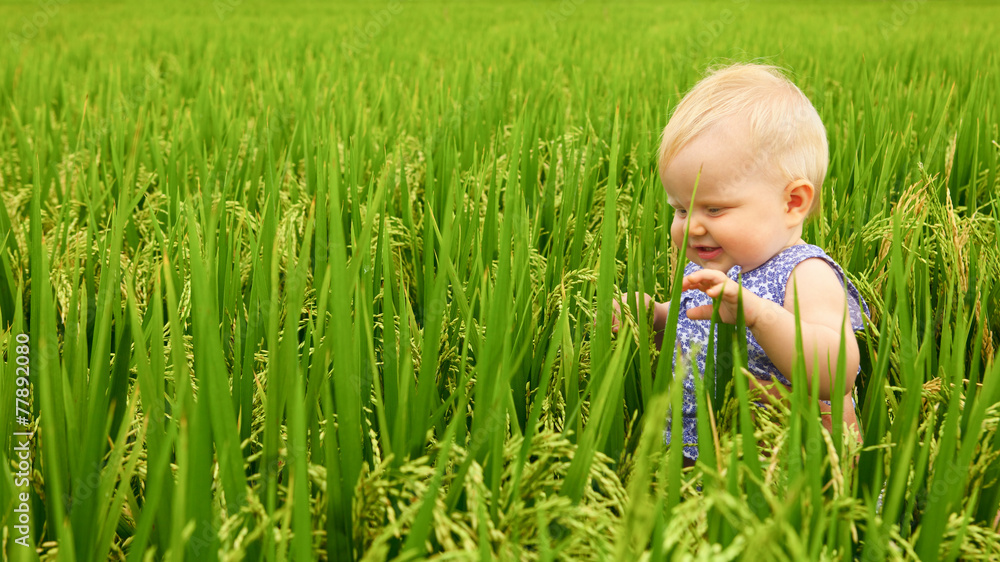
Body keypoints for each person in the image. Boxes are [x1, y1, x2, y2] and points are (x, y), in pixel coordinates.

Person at [617, 63, 869, 463]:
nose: (693, 227)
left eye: (714, 209)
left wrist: (758, 316)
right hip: (692, 452)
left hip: (782, 468)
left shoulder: (805, 275)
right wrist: (656, 317)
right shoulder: (710, 268)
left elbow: (836, 373)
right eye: (680, 210)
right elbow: (691, 325)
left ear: (792, 202)